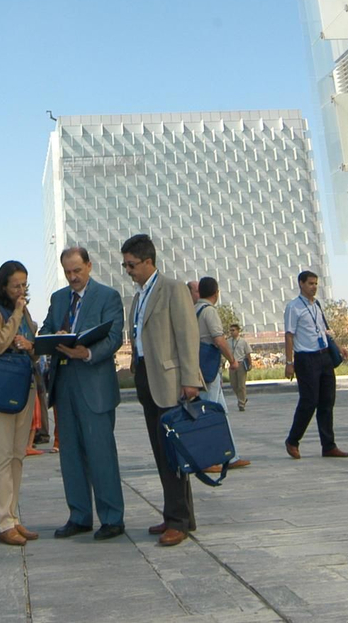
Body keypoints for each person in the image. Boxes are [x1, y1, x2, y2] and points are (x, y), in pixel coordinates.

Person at [122, 233, 201, 546]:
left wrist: (190, 379)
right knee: (162, 451)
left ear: (148, 261)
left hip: (170, 382)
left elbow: (187, 335)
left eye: (131, 265)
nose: (128, 270)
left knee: (173, 454)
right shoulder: (139, 296)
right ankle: (178, 515)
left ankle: (178, 521)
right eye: (125, 265)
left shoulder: (172, 289)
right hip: (146, 377)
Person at [44, 245, 126, 541]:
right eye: (67, 272)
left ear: (89, 266)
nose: (72, 277)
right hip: (64, 385)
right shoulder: (58, 299)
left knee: (101, 453)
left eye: (77, 270)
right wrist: (50, 338)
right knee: (70, 456)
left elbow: (114, 337)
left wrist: (88, 353)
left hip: (95, 386)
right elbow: (46, 330)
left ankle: (112, 518)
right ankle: (79, 516)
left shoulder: (108, 297)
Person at [0, 261, 39, 545]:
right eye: (16, 285)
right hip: (1, 389)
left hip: (25, 385)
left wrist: (30, 344)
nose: (21, 290)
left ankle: (14, 517)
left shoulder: (24, 309)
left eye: (24, 285)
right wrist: (16, 313)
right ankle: (3, 522)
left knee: (17, 455)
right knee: (3, 456)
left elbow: (31, 344)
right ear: (3, 285)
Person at [283, 271, 348, 459]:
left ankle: (328, 445)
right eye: (310, 283)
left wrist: (338, 347)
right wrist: (289, 362)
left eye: (316, 284)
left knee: (327, 401)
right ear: (301, 284)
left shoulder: (316, 305)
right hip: (306, 358)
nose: (314, 287)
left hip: (324, 356)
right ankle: (293, 440)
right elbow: (289, 335)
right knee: (309, 401)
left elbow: (324, 330)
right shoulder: (294, 307)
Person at [195, 277, 250, 470]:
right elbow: (219, 340)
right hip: (209, 369)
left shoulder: (194, 310)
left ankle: (231, 456)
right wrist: (232, 360)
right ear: (216, 293)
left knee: (222, 412)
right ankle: (207, 459)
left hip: (200, 368)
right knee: (209, 413)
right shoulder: (209, 311)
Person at [227, 324, 252, 412]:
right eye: (230, 330)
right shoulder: (228, 342)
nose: (231, 332)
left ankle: (241, 403)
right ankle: (243, 398)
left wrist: (250, 363)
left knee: (241, 385)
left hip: (241, 364)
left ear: (238, 331)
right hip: (232, 364)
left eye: (233, 330)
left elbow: (248, 353)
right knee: (234, 384)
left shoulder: (243, 342)